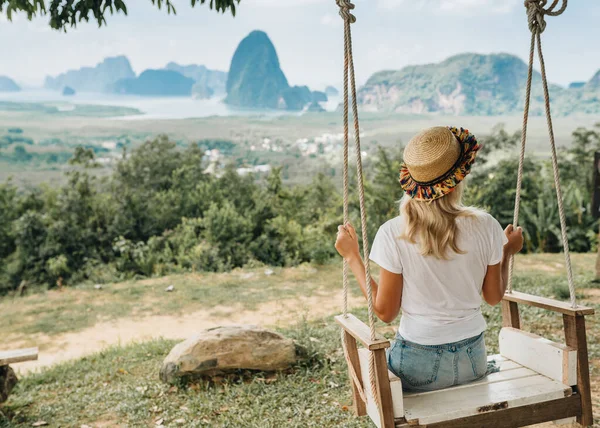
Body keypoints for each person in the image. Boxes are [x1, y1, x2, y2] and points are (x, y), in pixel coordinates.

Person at [334, 126, 524, 392]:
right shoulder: (486, 225)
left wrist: (352, 256)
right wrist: (506, 252)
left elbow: (385, 313)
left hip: (417, 364)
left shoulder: (393, 232)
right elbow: (493, 298)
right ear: (459, 178)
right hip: (474, 361)